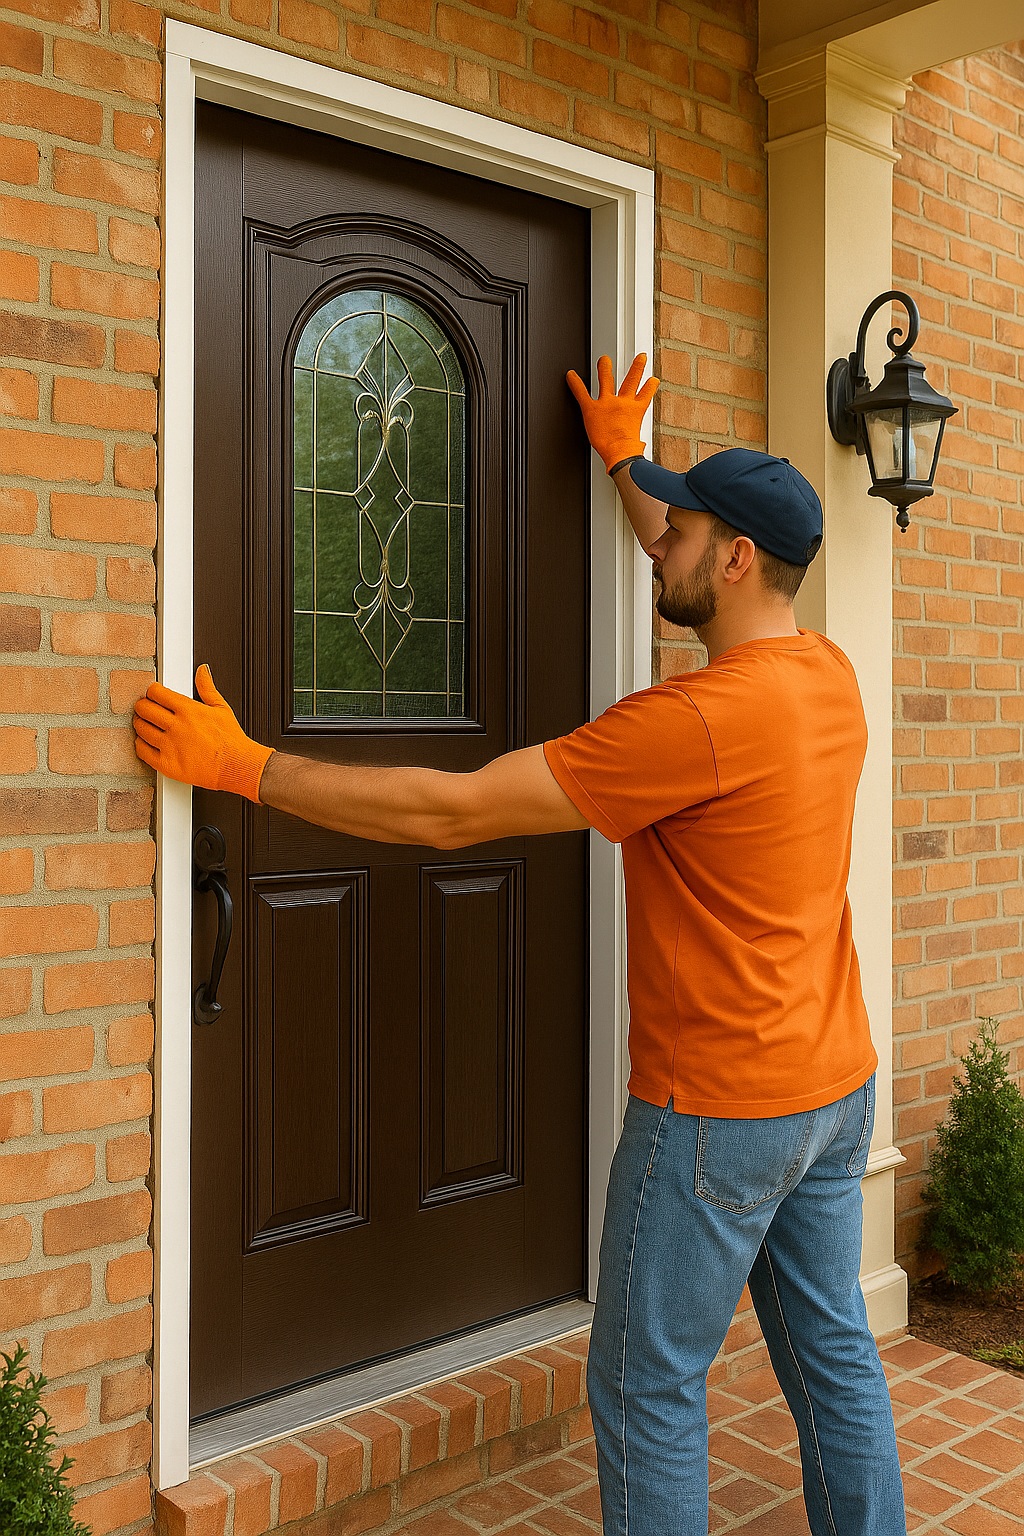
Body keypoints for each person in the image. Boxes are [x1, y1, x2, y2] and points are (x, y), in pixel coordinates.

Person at [132, 355, 906, 1536]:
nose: (662, 542)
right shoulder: (826, 674)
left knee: (648, 1390)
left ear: (737, 556)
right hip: (829, 1089)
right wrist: (618, 458)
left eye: (681, 527)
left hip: (715, 1114)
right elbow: (689, 559)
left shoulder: (686, 726)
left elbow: (450, 814)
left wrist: (240, 765)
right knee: (836, 1362)